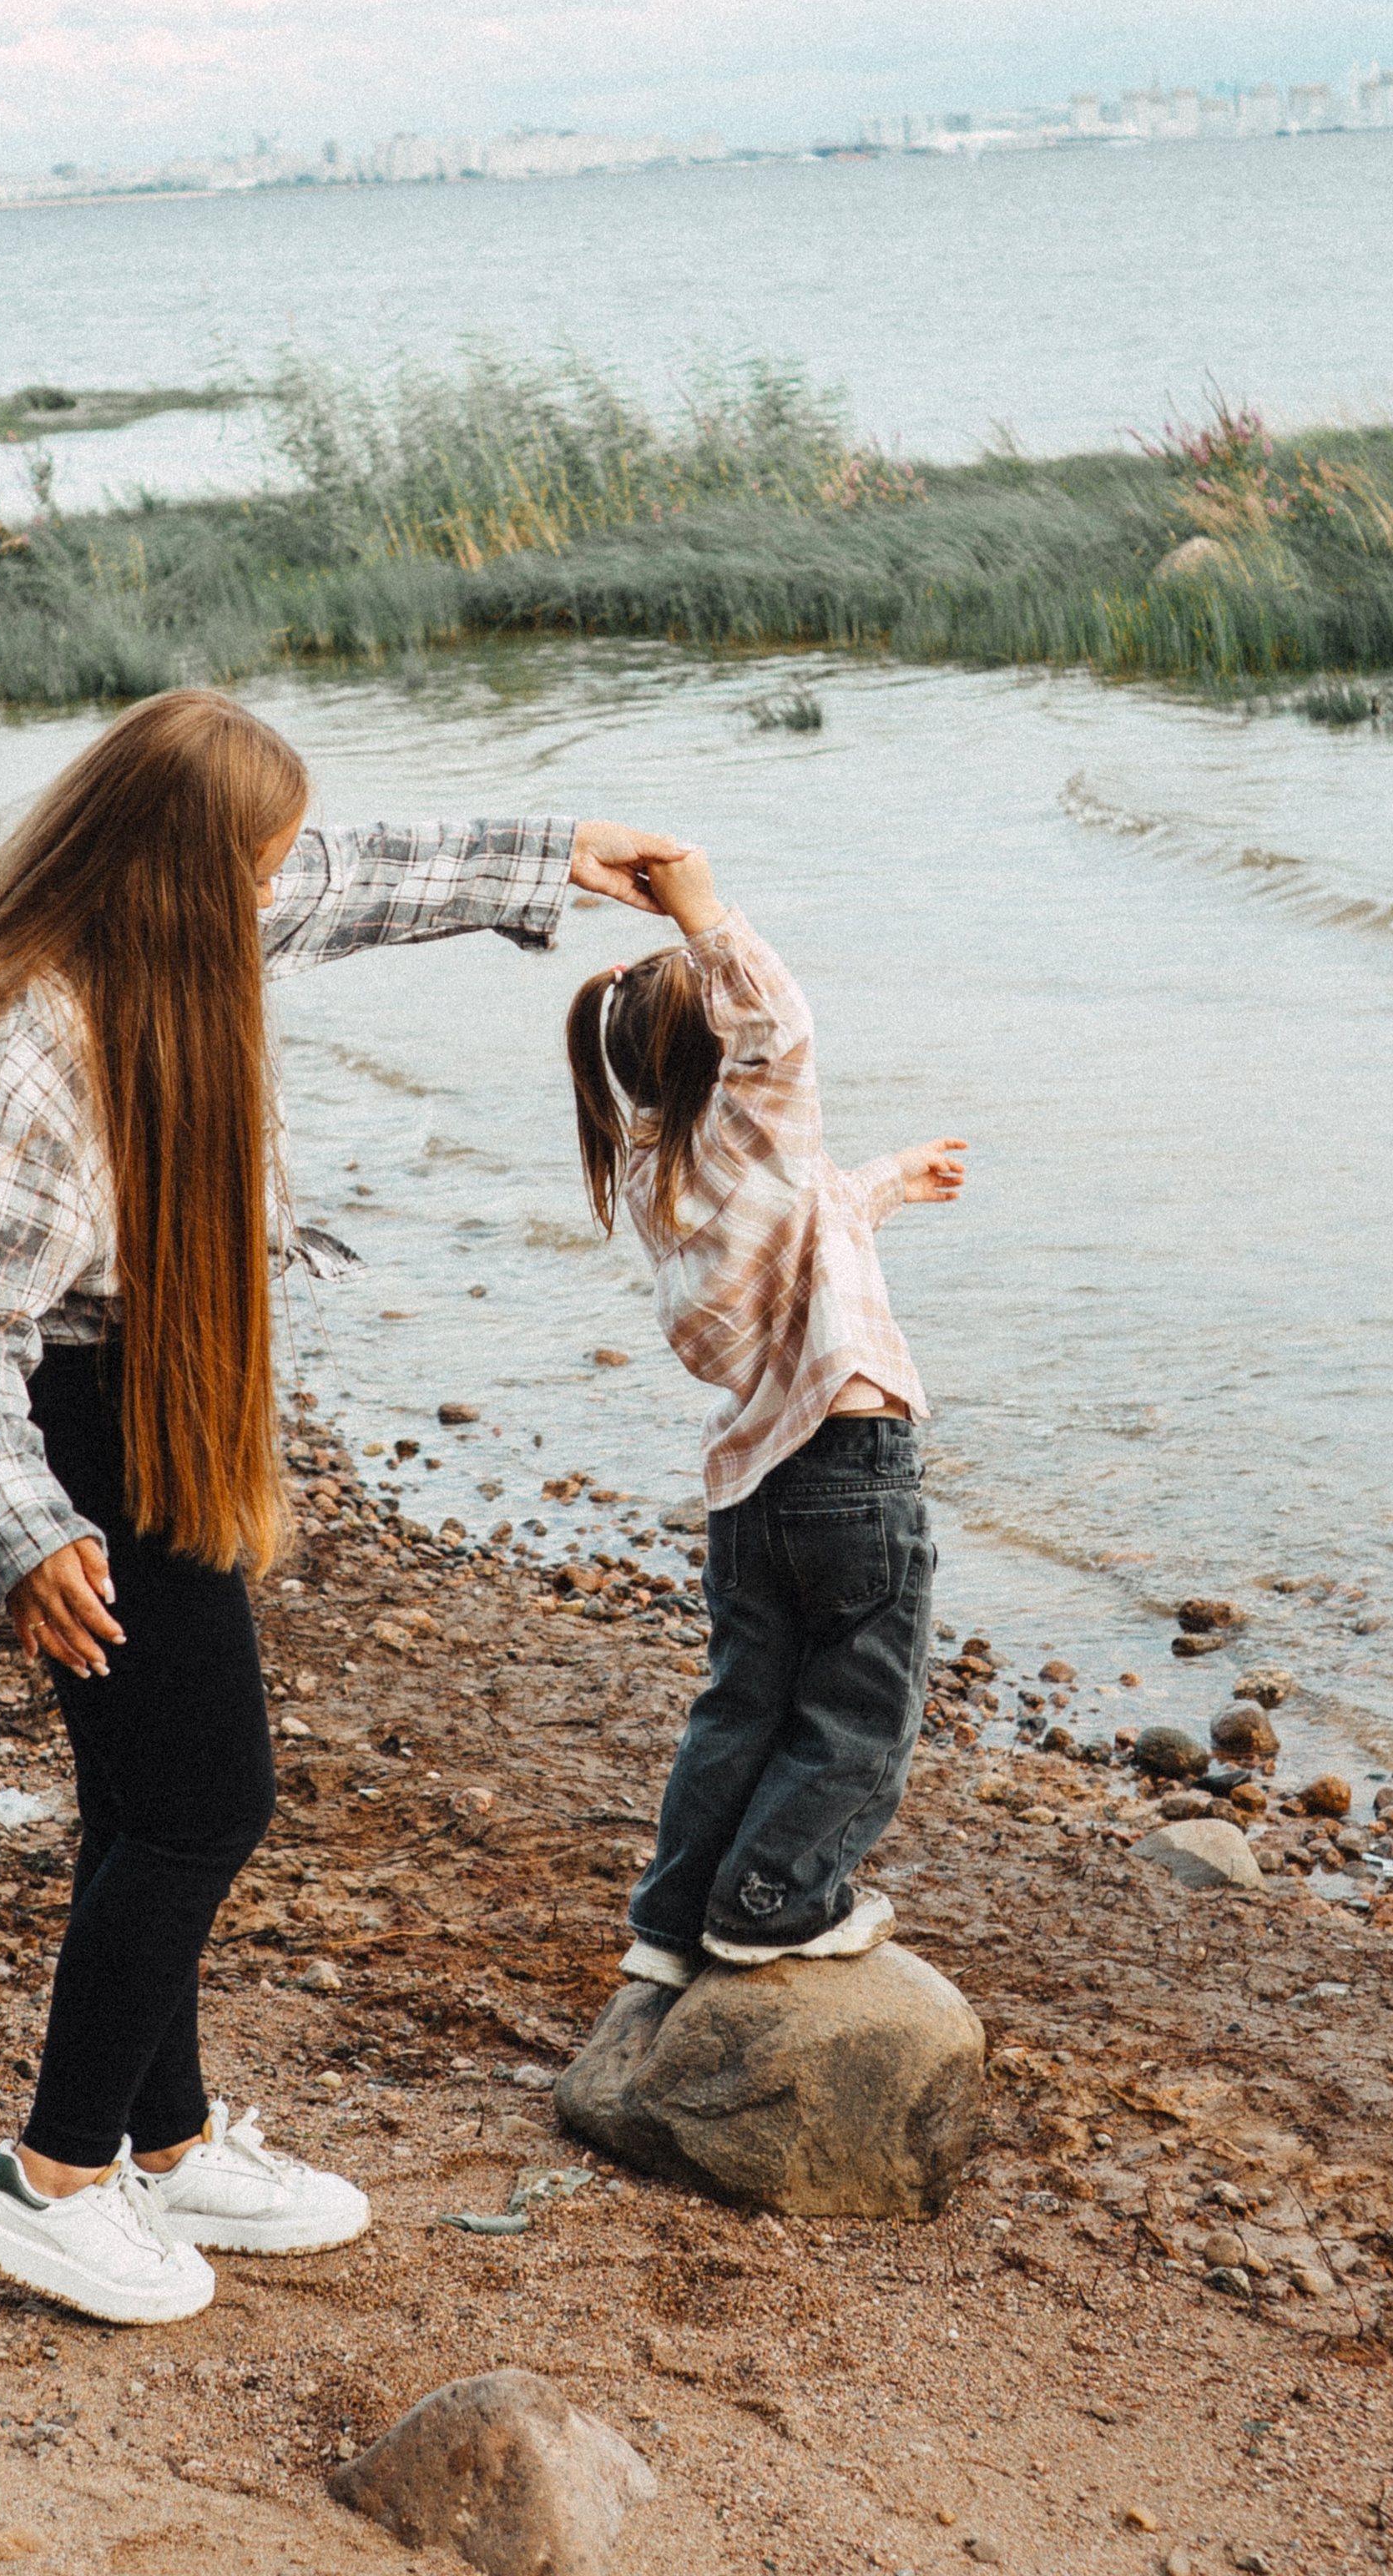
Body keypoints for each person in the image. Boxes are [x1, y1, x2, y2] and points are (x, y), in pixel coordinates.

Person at [0, 685, 684, 2323]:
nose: (274, 889)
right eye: (248, 868)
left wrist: (556, 856)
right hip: (82, 1433)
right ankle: (47, 2177)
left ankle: (164, 2142)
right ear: (175, 872)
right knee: (203, 1803)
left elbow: (358, 872)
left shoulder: (168, 923)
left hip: (156, 1399)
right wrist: (29, 1532)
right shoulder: (27, 1046)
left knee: (145, 1797)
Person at [565, 847, 965, 1983]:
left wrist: (890, 1179)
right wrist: (696, 907)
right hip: (850, 1464)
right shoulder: (759, 1113)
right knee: (861, 1713)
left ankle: (672, 1921)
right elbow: (779, 1019)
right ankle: (770, 1904)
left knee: (742, 1708)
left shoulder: (653, 1165)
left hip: (752, 1488)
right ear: (719, 1054)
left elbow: (804, 1219)